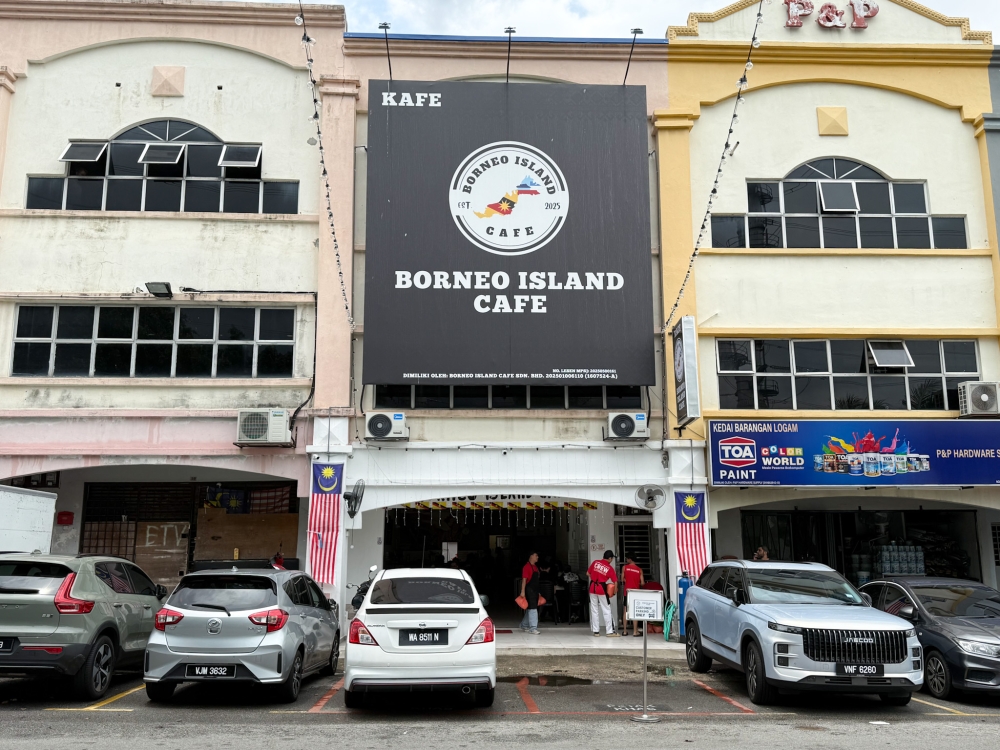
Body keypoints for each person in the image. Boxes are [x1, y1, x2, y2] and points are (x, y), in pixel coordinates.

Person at [587, 550, 619, 637]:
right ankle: (610, 631)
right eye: (612, 558)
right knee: (606, 609)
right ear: (609, 558)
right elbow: (615, 581)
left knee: (594, 609)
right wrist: (614, 591)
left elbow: (587, 573)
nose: (612, 560)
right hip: (601, 588)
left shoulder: (595, 562)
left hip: (592, 587)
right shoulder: (609, 568)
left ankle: (596, 631)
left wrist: (594, 577)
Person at [621, 553, 645, 637]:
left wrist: (628, 581)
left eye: (627, 558)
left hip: (627, 592)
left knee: (625, 611)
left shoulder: (624, 567)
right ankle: (635, 632)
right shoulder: (639, 570)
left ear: (630, 559)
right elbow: (642, 583)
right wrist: (636, 582)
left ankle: (624, 631)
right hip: (636, 592)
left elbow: (622, 579)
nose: (626, 560)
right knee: (635, 611)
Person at [519, 551, 541, 635]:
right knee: (533, 609)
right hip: (529, 590)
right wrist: (522, 591)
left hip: (535, 590)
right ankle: (533, 628)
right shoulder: (526, 567)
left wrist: (539, 592)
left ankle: (524, 625)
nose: (537, 557)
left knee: (530, 608)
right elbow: (524, 580)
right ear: (531, 556)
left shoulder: (535, 567)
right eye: (536, 555)